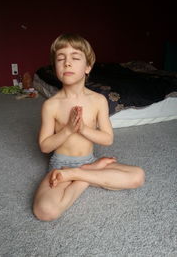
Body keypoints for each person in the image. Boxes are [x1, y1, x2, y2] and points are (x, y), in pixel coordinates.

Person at [33, 33, 145, 221]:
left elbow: (107, 139)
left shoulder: (98, 100)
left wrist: (83, 128)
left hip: (87, 159)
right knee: (45, 211)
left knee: (138, 176)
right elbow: (45, 146)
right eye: (61, 59)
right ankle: (87, 174)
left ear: (87, 67)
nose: (67, 63)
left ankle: (79, 173)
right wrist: (68, 129)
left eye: (75, 58)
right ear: (55, 68)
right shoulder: (51, 105)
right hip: (60, 165)